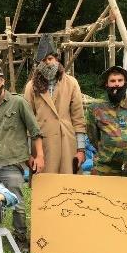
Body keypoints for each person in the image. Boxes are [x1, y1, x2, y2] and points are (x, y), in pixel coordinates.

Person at [0, 66, 44, 253]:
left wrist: (39, 156)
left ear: (3, 81)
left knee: (16, 202)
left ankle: (21, 237)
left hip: (12, 161)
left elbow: (36, 131)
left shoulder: (18, 102)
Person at [23, 33, 86, 173]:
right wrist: (27, 153)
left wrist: (81, 149)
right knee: (46, 187)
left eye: (50, 59)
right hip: (42, 145)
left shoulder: (71, 83)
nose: (47, 63)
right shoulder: (31, 87)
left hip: (67, 142)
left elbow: (78, 119)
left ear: (57, 59)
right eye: (43, 60)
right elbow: (27, 122)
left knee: (69, 187)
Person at [86, 65, 127, 177]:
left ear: (125, 83)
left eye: (120, 80)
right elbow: (92, 136)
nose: (116, 84)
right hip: (106, 165)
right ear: (106, 84)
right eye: (112, 81)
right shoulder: (96, 107)